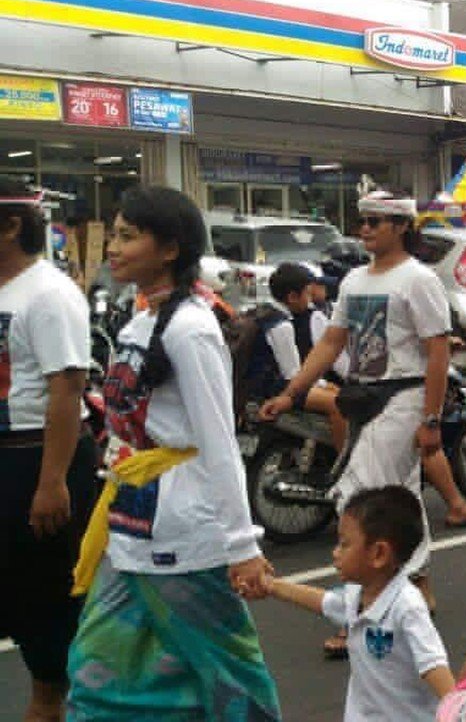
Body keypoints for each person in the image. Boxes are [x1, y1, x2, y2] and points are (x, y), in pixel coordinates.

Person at [66, 186, 280, 720]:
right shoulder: (138, 322)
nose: (113, 248)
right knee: (98, 671)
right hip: (129, 519)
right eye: (113, 235)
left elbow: (219, 442)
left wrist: (241, 546)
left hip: (186, 532)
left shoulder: (191, 327)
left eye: (127, 236)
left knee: (233, 679)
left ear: (170, 249)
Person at [260, 191, 453, 657]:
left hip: (403, 395)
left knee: (361, 500)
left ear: (400, 227)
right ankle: (419, 585)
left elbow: (438, 352)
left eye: (375, 221)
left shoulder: (419, 280)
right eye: (361, 220)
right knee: (398, 496)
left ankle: (362, 610)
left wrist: (431, 417)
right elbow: (330, 343)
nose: (364, 228)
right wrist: (292, 394)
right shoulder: (353, 281)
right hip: (362, 396)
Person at [0, 183, 98, 722]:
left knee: (43, 601)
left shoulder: (50, 293)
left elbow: (67, 387)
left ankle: (49, 705)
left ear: (13, 226)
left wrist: (51, 480)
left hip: (35, 457)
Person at [253, 486, 455, 720]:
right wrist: (273, 586)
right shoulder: (357, 593)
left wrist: (460, 711)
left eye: (345, 544)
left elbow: (433, 664)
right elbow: (325, 602)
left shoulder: (406, 606)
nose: (335, 553)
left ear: (379, 554)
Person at [263, 262, 348, 451]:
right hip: (278, 389)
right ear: (292, 297)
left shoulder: (265, 313)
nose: (310, 300)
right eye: (307, 294)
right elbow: (293, 375)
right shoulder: (281, 326)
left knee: (335, 392)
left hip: (269, 386)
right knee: (339, 404)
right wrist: (325, 385)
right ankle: (344, 463)